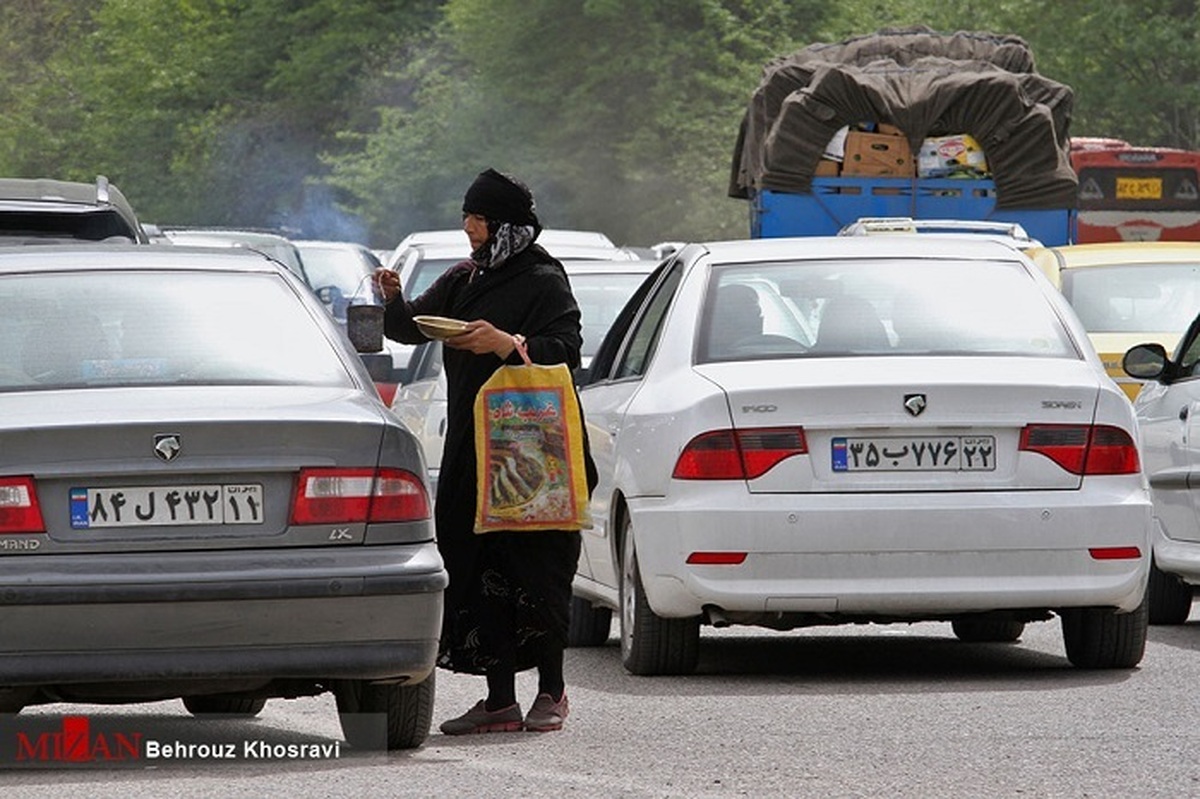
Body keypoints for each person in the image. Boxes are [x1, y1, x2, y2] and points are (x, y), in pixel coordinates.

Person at [374, 168, 595, 735]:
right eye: (467, 218)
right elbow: (412, 328)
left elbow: (566, 348)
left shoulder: (544, 279)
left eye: (478, 219)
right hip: (473, 451)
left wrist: (509, 344)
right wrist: (393, 299)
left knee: (539, 568)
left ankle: (552, 692)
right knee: (478, 567)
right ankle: (499, 700)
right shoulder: (464, 277)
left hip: (534, 452)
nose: (469, 228)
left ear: (506, 226)